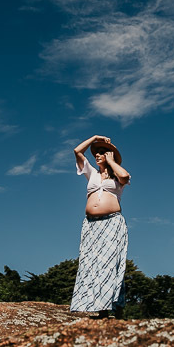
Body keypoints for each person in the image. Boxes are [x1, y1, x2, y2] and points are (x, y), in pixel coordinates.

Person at [70, 134, 131, 317]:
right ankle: (96, 306)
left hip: (111, 222)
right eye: (96, 153)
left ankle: (109, 308)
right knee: (91, 263)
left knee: (110, 263)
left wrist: (111, 162)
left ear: (110, 155)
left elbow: (125, 176)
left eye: (101, 152)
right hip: (91, 225)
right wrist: (95, 138)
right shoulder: (92, 173)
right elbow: (77, 151)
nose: (96, 155)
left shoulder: (117, 177)